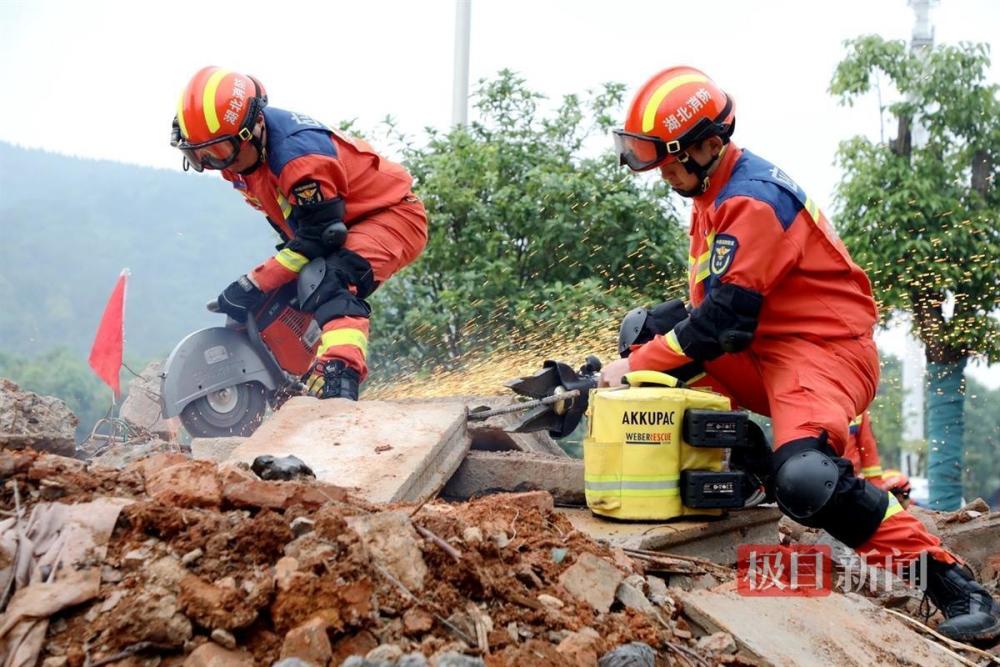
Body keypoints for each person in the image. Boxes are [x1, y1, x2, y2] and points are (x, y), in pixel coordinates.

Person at [603, 66, 999, 643]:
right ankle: (747, 465)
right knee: (649, 328)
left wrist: (635, 367)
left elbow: (722, 324)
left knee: (809, 481)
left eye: (666, 160)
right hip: (764, 345)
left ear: (709, 145)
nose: (662, 173)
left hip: (823, 355)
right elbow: (713, 320)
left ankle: (953, 585)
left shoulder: (752, 202)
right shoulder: (710, 188)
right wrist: (627, 363)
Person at [171, 66, 428, 400]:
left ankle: (339, 381)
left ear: (254, 128)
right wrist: (263, 290)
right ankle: (279, 386)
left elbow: (321, 236)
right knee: (270, 304)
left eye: (219, 153)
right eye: (198, 155)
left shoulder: (299, 158)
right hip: (331, 224)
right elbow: (303, 229)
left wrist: (255, 280)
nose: (214, 164)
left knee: (328, 281)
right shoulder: (244, 157)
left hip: (392, 216)